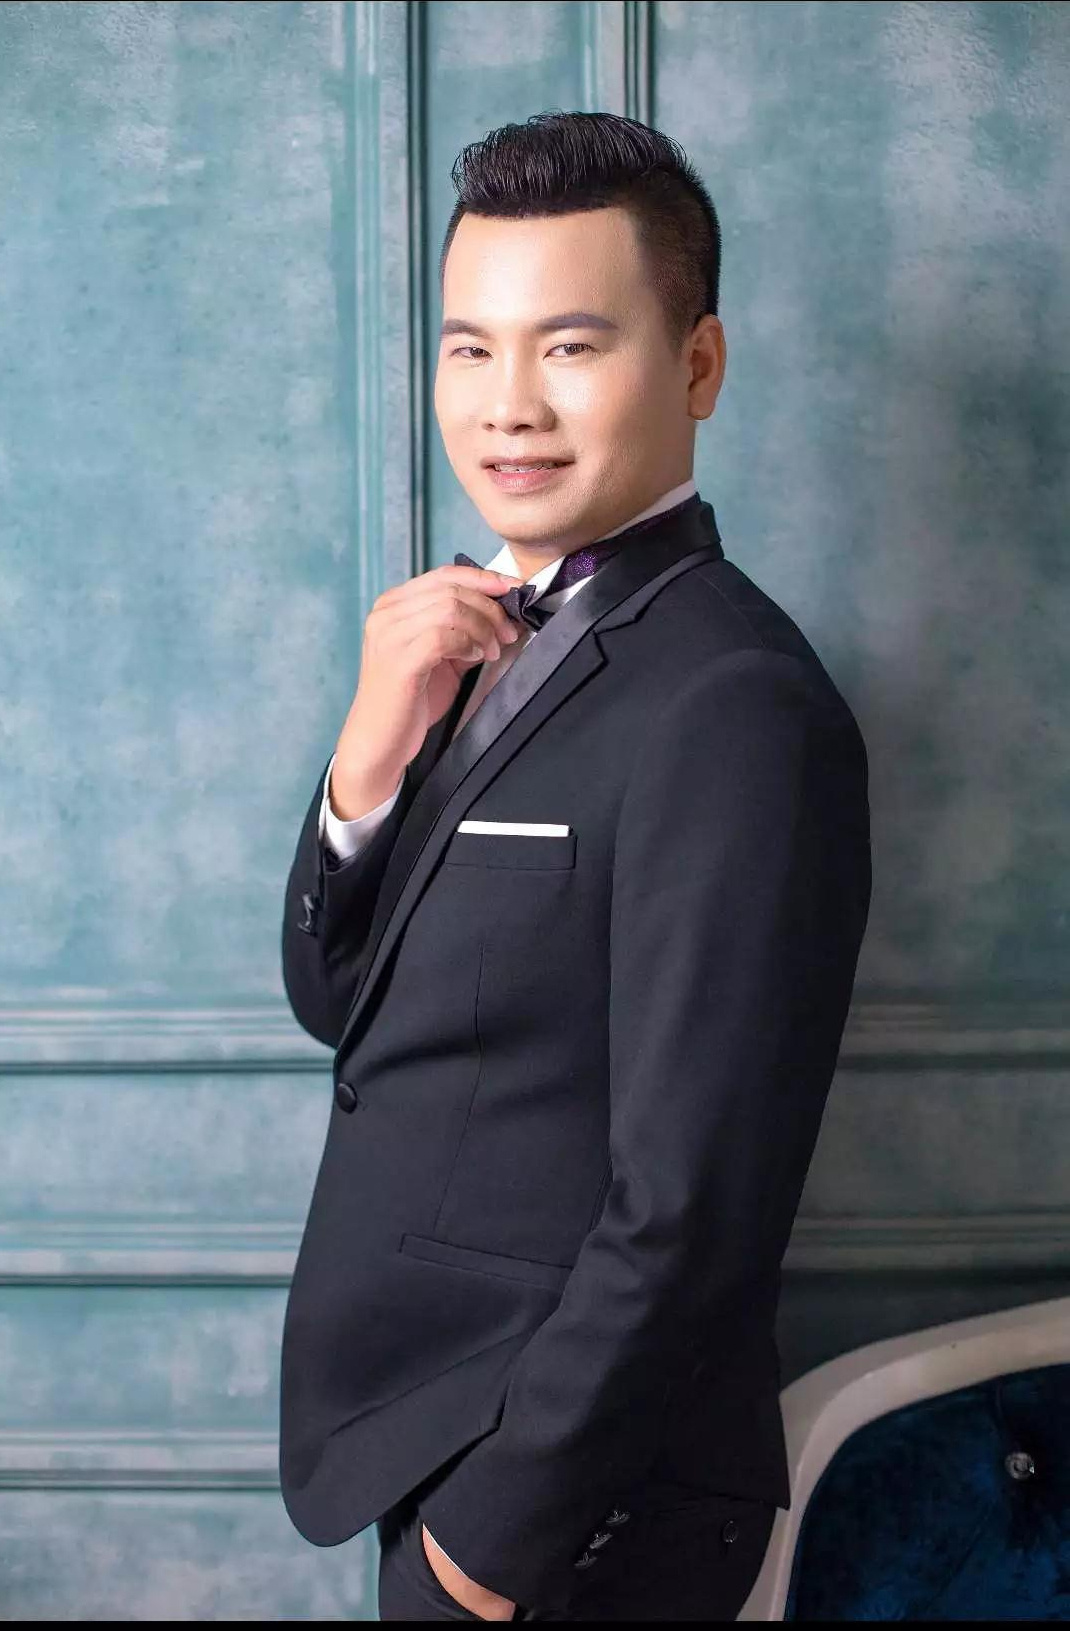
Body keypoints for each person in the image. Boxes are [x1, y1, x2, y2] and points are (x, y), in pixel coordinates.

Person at [278, 111, 871, 1621]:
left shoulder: (735, 701)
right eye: (470, 349)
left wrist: (488, 1551)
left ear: (698, 365)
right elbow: (342, 1006)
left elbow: (693, 1205)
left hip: (572, 1502)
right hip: (433, 1432)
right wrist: (367, 759)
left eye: (569, 346)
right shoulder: (469, 637)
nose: (509, 406)